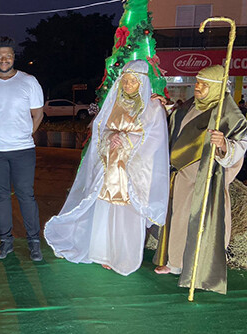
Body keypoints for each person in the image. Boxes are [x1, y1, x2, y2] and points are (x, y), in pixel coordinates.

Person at [44, 60, 169, 275]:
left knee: (127, 215)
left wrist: (127, 139)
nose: (128, 85)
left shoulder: (152, 107)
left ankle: (123, 255)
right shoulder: (114, 103)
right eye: (125, 80)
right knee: (105, 209)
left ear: (142, 83)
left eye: (133, 81)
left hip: (132, 173)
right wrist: (112, 136)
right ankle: (102, 252)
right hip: (109, 168)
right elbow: (101, 129)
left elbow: (155, 138)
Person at [154, 65, 247, 294]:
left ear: (217, 87)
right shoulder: (190, 106)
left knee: (205, 226)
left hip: (208, 180)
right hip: (184, 176)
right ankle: (175, 263)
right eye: (197, 83)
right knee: (178, 219)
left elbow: (241, 145)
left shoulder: (229, 114)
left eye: (204, 85)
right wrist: (162, 109)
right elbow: (177, 126)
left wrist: (224, 144)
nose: (198, 88)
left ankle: (202, 270)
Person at [0, 36, 44, 261]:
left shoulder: (29, 81)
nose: (4, 60)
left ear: (14, 58)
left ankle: (34, 242)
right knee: (1, 196)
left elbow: (38, 114)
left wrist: (23, 134)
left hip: (22, 149)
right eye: (0, 56)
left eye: (8, 56)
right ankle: (6, 241)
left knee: (26, 194)